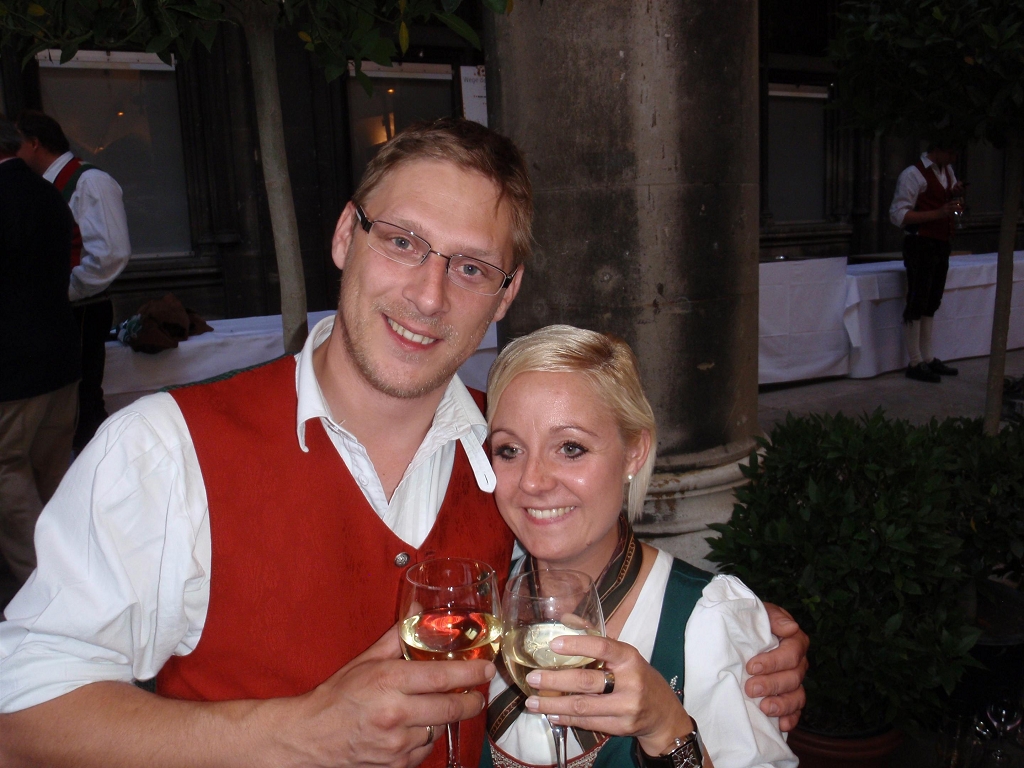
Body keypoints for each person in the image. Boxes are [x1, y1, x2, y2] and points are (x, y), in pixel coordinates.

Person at [0, 119, 806, 768]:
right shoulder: (164, 450)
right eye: (402, 241)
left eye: (471, 267)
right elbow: (18, 720)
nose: (427, 294)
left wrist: (738, 636)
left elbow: (612, 579)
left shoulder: (511, 457)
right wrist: (295, 734)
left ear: (506, 295)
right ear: (345, 236)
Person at [482, 326, 798, 768]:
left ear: (634, 452)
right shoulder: (480, 603)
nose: (532, 481)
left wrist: (666, 727)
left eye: (570, 447)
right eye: (510, 450)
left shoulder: (705, 623)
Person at [16, 110, 132, 448]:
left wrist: (63, 290)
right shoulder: (42, 186)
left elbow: (110, 253)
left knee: (82, 400)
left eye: (14, 144)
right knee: (59, 403)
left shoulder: (90, 181)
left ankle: (95, 465)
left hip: (81, 308)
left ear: (34, 143)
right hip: (58, 308)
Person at [0, 114, 79, 589]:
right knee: (52, 473)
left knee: (7, 469)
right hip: (58, 351)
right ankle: (74, 573)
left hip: (12, 362)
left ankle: (47, 586)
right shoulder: (47, 192)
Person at [889, 144, 965, 384]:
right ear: (938, 149)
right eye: (951, 152)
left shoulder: (947, 171)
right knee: (918, 299)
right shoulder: (913, 174)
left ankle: (928, 357)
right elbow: (898, 215)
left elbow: (945, 197)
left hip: (941, 242)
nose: (954, 158)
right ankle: (915, 361)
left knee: (932, 300)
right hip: (920, 243)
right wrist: (939, 213)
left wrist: (954, 194)